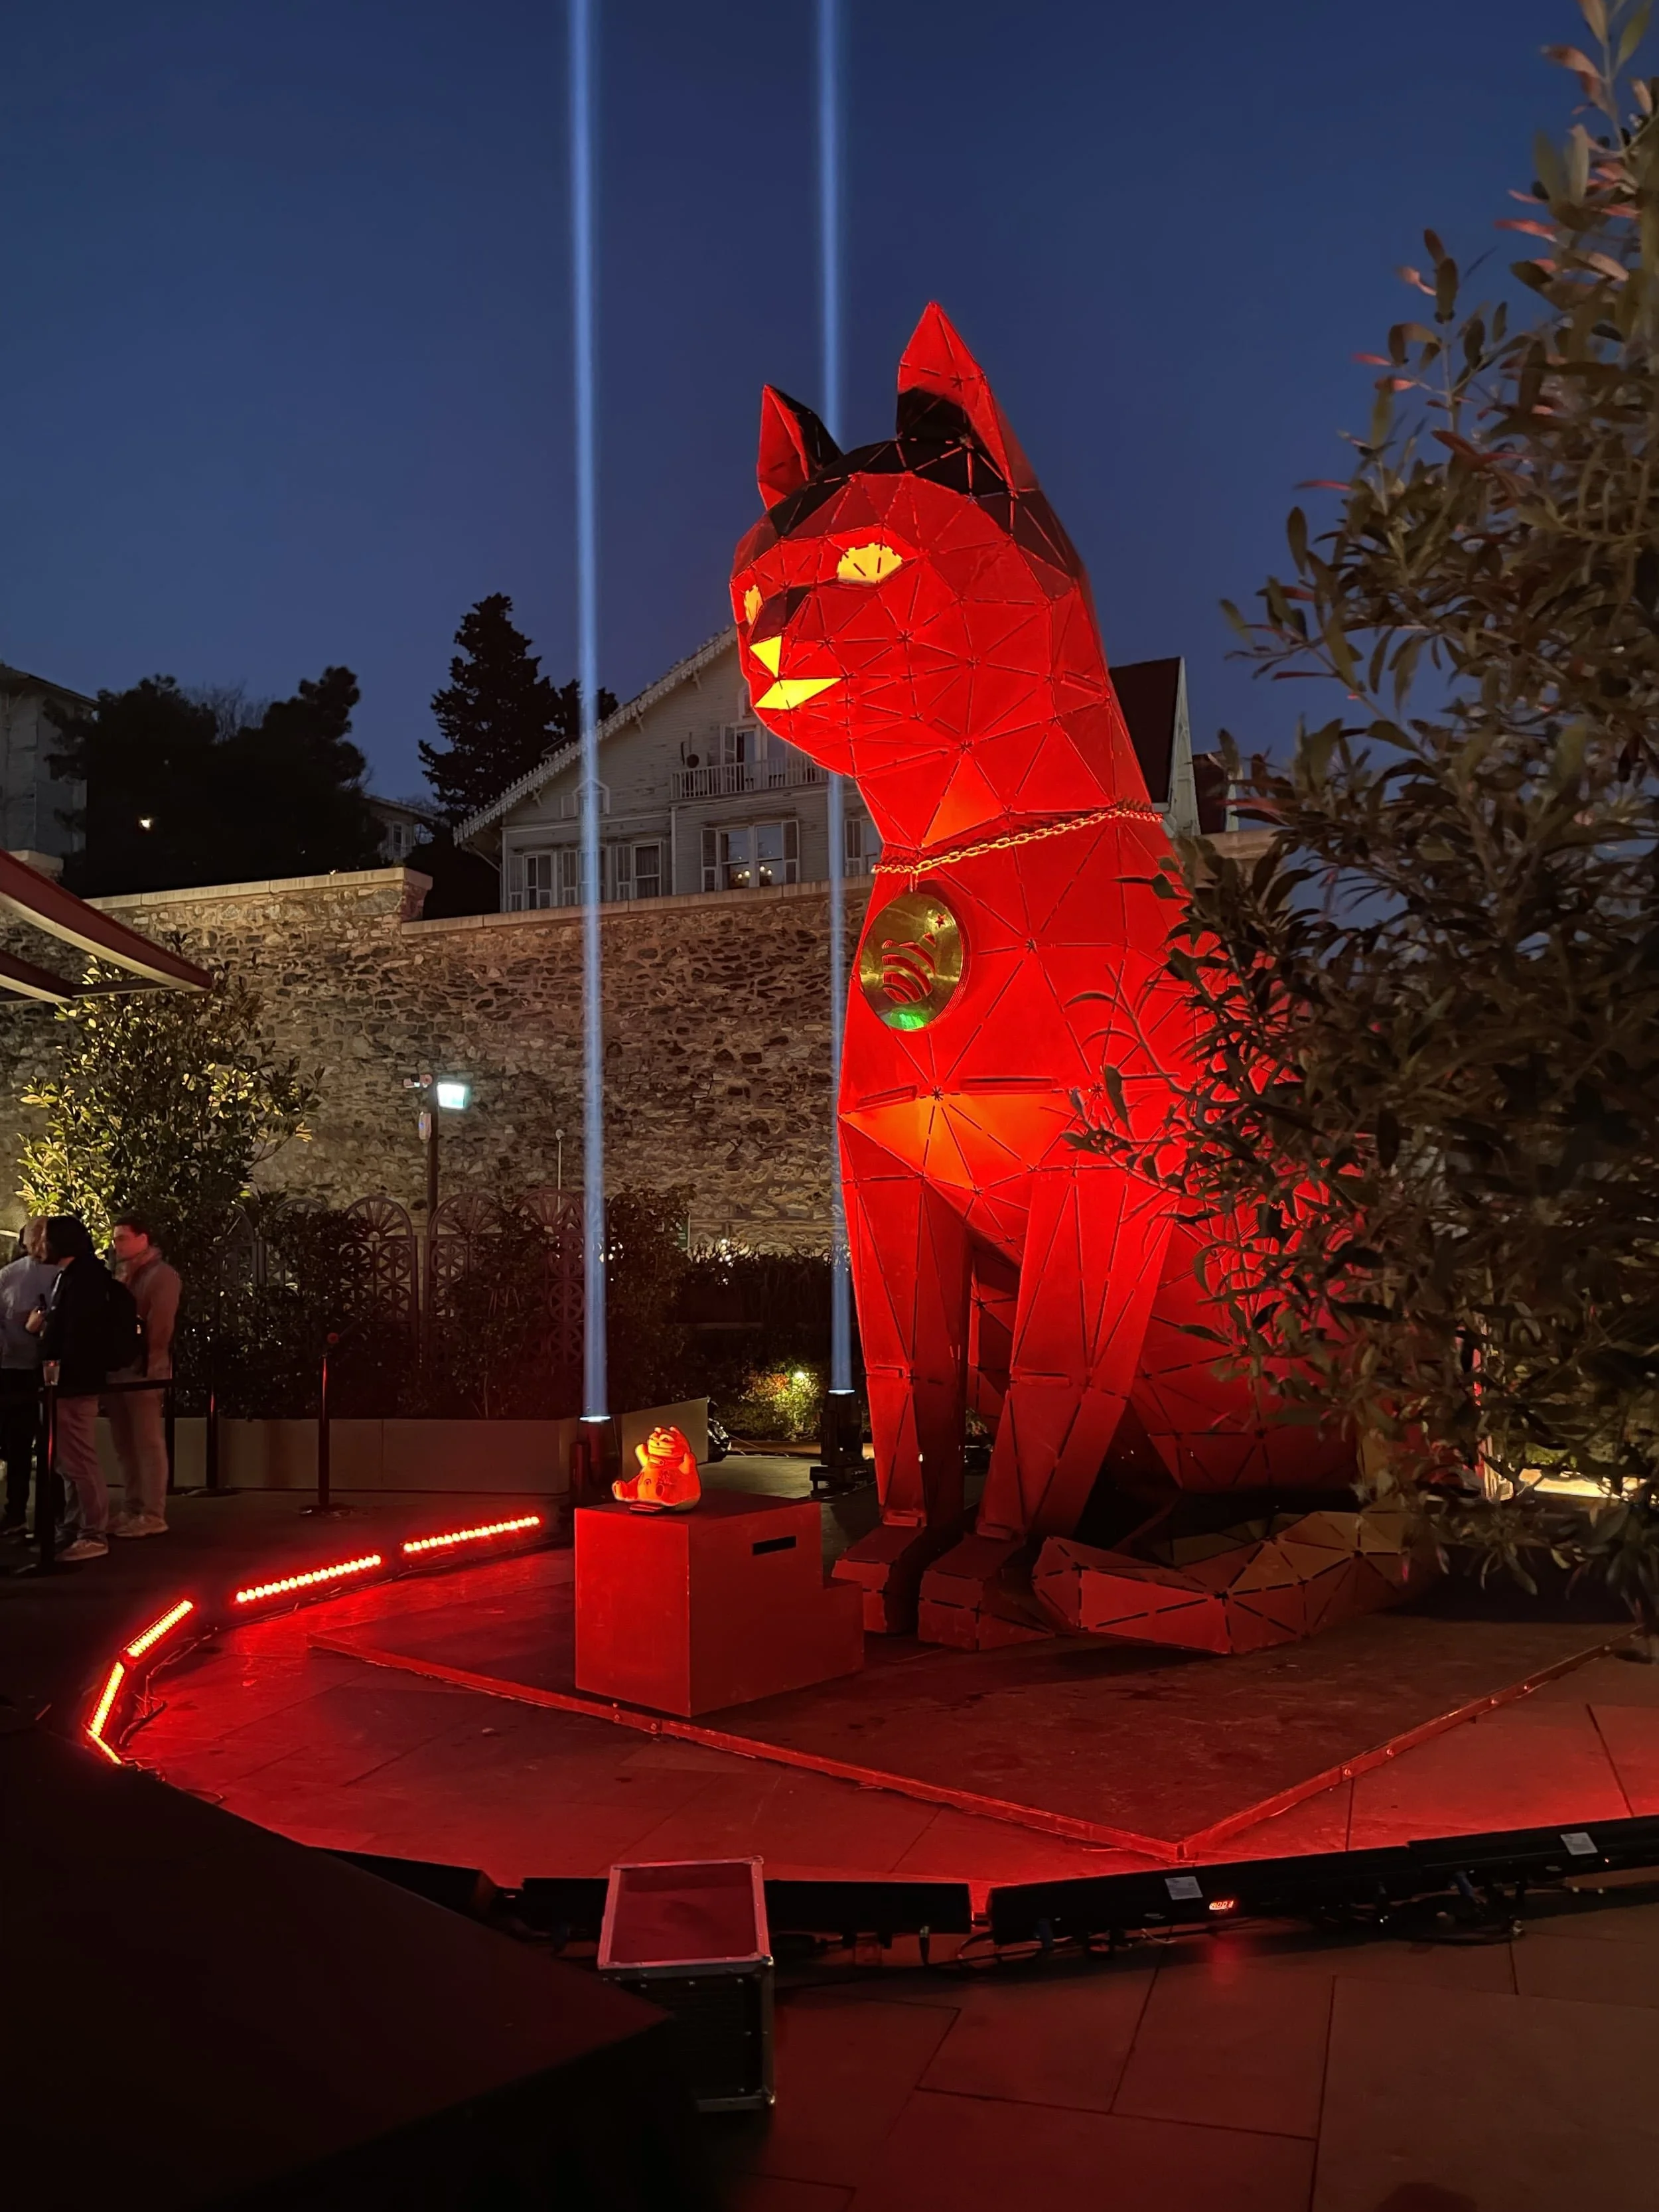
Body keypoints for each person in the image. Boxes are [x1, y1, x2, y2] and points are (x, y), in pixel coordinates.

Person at [37, 1216, 118, 1562]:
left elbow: (80, 1336)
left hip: (73, 1383)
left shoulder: (83, 1280)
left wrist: (60, 1370)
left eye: (45, 1238)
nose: (39, 1245)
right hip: (65, 1383)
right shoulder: (72, 1276)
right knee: (68, 1461)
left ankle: (92, 1532)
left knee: (79, 1460)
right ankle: (74, 1527)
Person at [106, 1212, 180, 1538]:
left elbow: (161, 1326)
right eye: (115, 1239)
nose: (117, 1245)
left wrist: (152, 1364)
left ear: (143, 1238)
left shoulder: (161, 1276)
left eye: (123, 1238)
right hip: (121, 1367)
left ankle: (152, 1511)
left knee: (147, 1442)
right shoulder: (124, 1274)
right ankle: (134, 1505)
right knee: (125, 1442)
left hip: (143, 1369)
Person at [0, 1219, 56, 1538]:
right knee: (24, 1444)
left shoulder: (14, 1275)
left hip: (32, 1370)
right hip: (24, 1370)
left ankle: (31, 1514)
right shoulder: (11, 1275)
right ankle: (29, 1514)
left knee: (32, 1445)